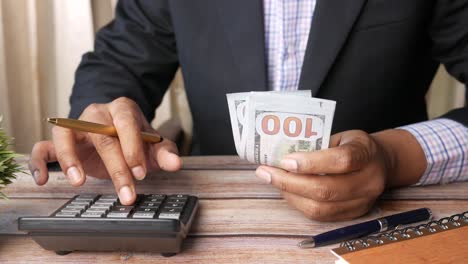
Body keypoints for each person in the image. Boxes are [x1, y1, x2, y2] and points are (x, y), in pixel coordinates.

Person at [29, 1, 467, 221]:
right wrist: (107, 119)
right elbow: (118, 63)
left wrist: (393, 158)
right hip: (210, 215)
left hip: (380, 221)